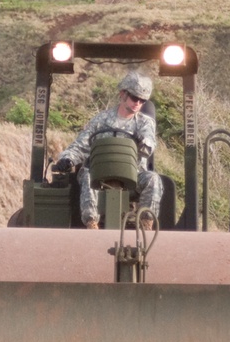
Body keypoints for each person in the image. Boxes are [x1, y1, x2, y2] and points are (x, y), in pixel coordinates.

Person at [51, 72, 164, 229]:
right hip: (100, 175)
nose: (138, 103)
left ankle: (146, 224)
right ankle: (92, 224)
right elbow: (81, 145)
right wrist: (67, 159)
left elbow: (149, 142)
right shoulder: (101, 120)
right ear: (123, 94)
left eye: (142, 100)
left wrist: (143, 143)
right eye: (134, 98)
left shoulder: (145, 123)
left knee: (153, 179)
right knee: (87, 174)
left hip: (133, 176)